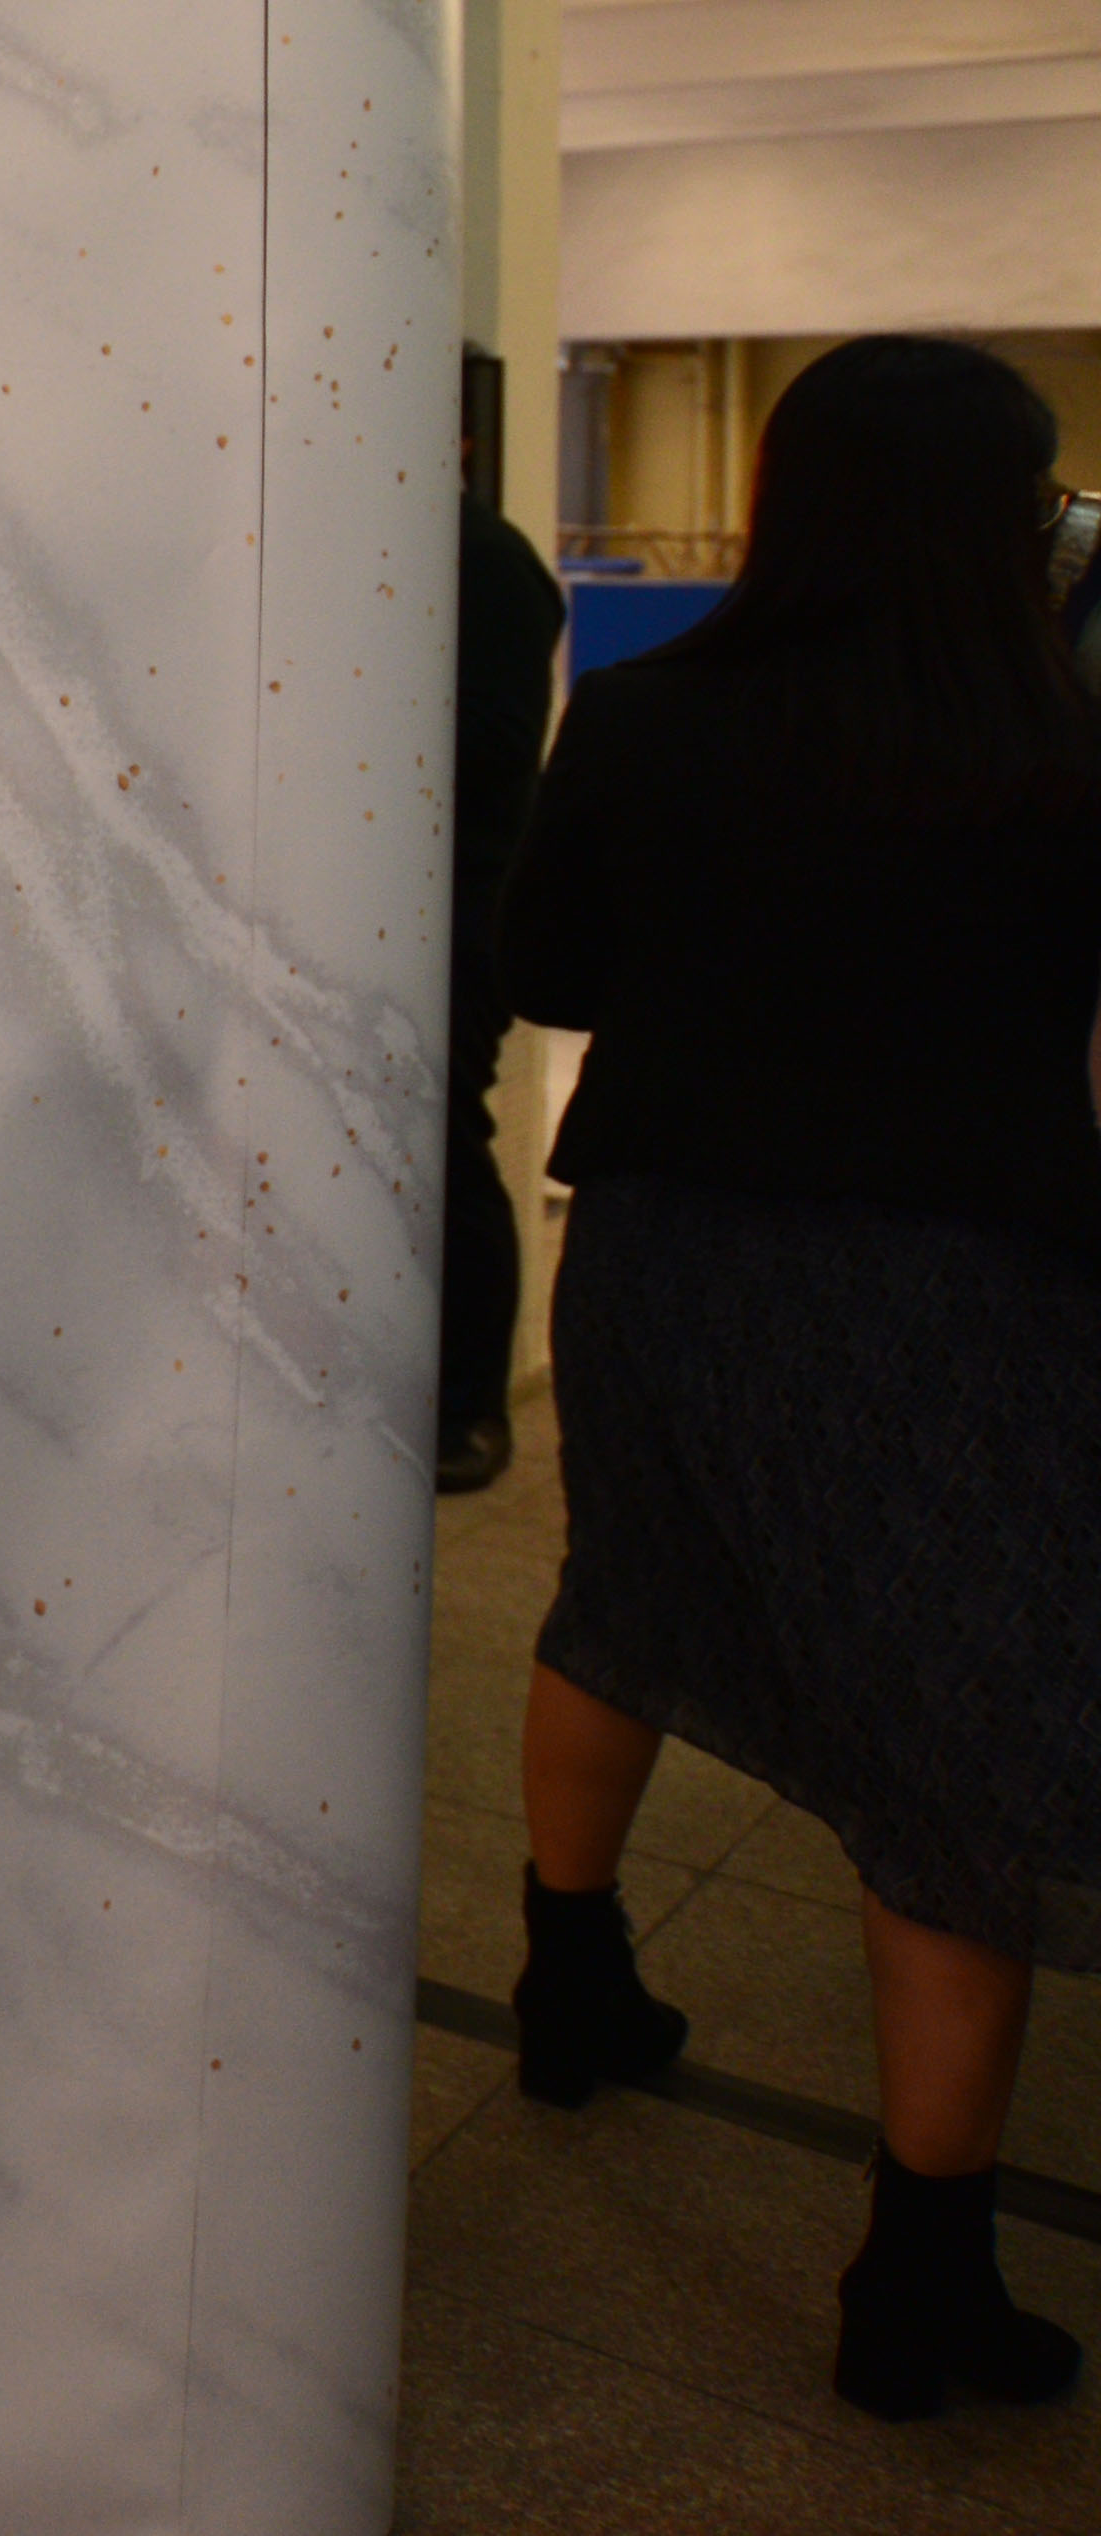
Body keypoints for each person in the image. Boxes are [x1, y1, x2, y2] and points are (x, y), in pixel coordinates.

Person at [500, 334, 1101, 2422]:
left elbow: (547, 972)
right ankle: (919, 2276)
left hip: (662, 1254)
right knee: (950, 1751)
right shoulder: (1061, 755)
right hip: (947, 1295)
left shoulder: (648, 713)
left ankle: (567, 1978)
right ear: (1001, 522)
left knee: (621, 1598)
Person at [437, 456, 570, 1495]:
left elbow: (491, 743)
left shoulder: (483, 561)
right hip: (386, 900)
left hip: (455, 905)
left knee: (438, 1139)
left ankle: (469, 1404)